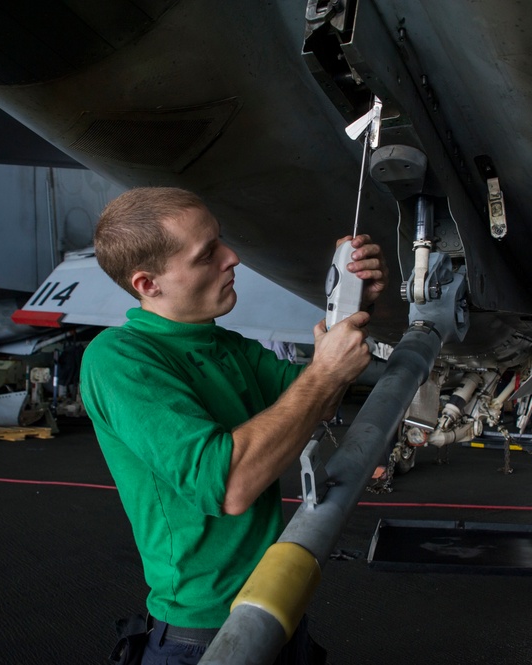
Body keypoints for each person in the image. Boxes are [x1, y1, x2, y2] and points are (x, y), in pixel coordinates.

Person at [80, 187, 388, 665]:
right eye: (208, 254)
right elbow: (230, 485)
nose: (233, 257)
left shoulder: (228, 346)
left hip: (276, 608)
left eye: (221, 241)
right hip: (202, 635)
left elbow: (318, 401)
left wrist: (348, 310)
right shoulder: (119, 359)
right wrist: (324, 374)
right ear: (148, 284)